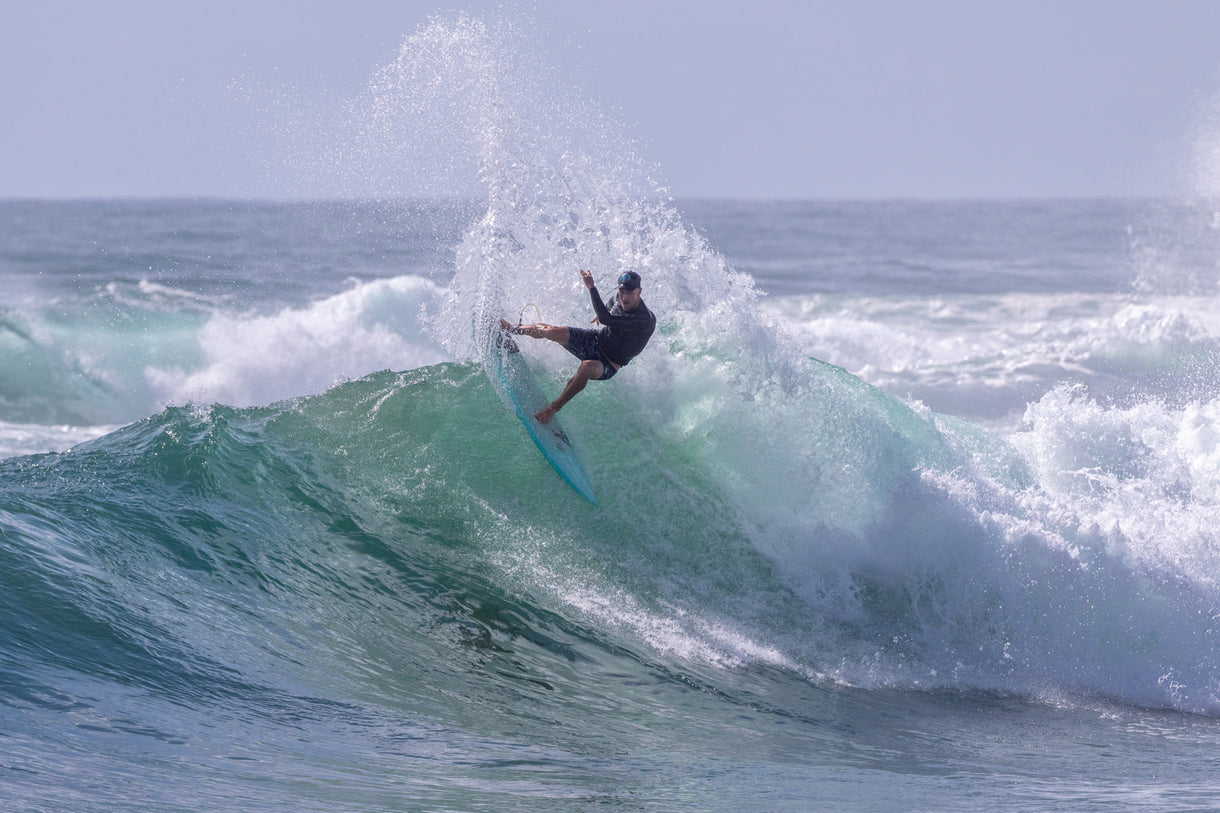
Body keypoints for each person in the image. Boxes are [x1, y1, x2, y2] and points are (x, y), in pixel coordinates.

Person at [507, 269, 656, 424]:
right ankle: (511, 329)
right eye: (622, 291)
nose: (624, 297)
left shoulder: (644, 319)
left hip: (609, 363)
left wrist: (592, 287)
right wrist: (601, 311)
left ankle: (553, 409)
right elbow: (609, 308)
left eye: (630, 292)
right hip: (595, 339)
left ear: (639, 291)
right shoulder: (620, 297)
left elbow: (605, 318)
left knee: (586, 367)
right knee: (552, 332)